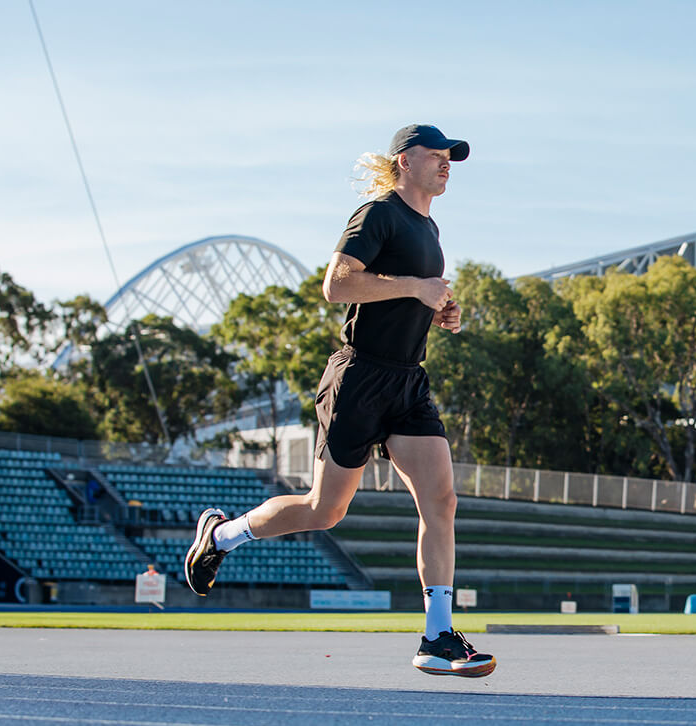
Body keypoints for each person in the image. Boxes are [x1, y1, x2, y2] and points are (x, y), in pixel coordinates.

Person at [184, 124, 495, 678]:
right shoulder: (377, 214)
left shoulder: (430, 226)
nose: (447, 163)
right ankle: (223, 534)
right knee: (325, 511)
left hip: (408, 382)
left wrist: (442, 310)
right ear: (404, 161)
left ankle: (438, 635)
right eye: (437, 154)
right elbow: (337, 285)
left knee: (441, 500)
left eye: (452, 157)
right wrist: (413, 287)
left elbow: (413, 295)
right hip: (358, 377)